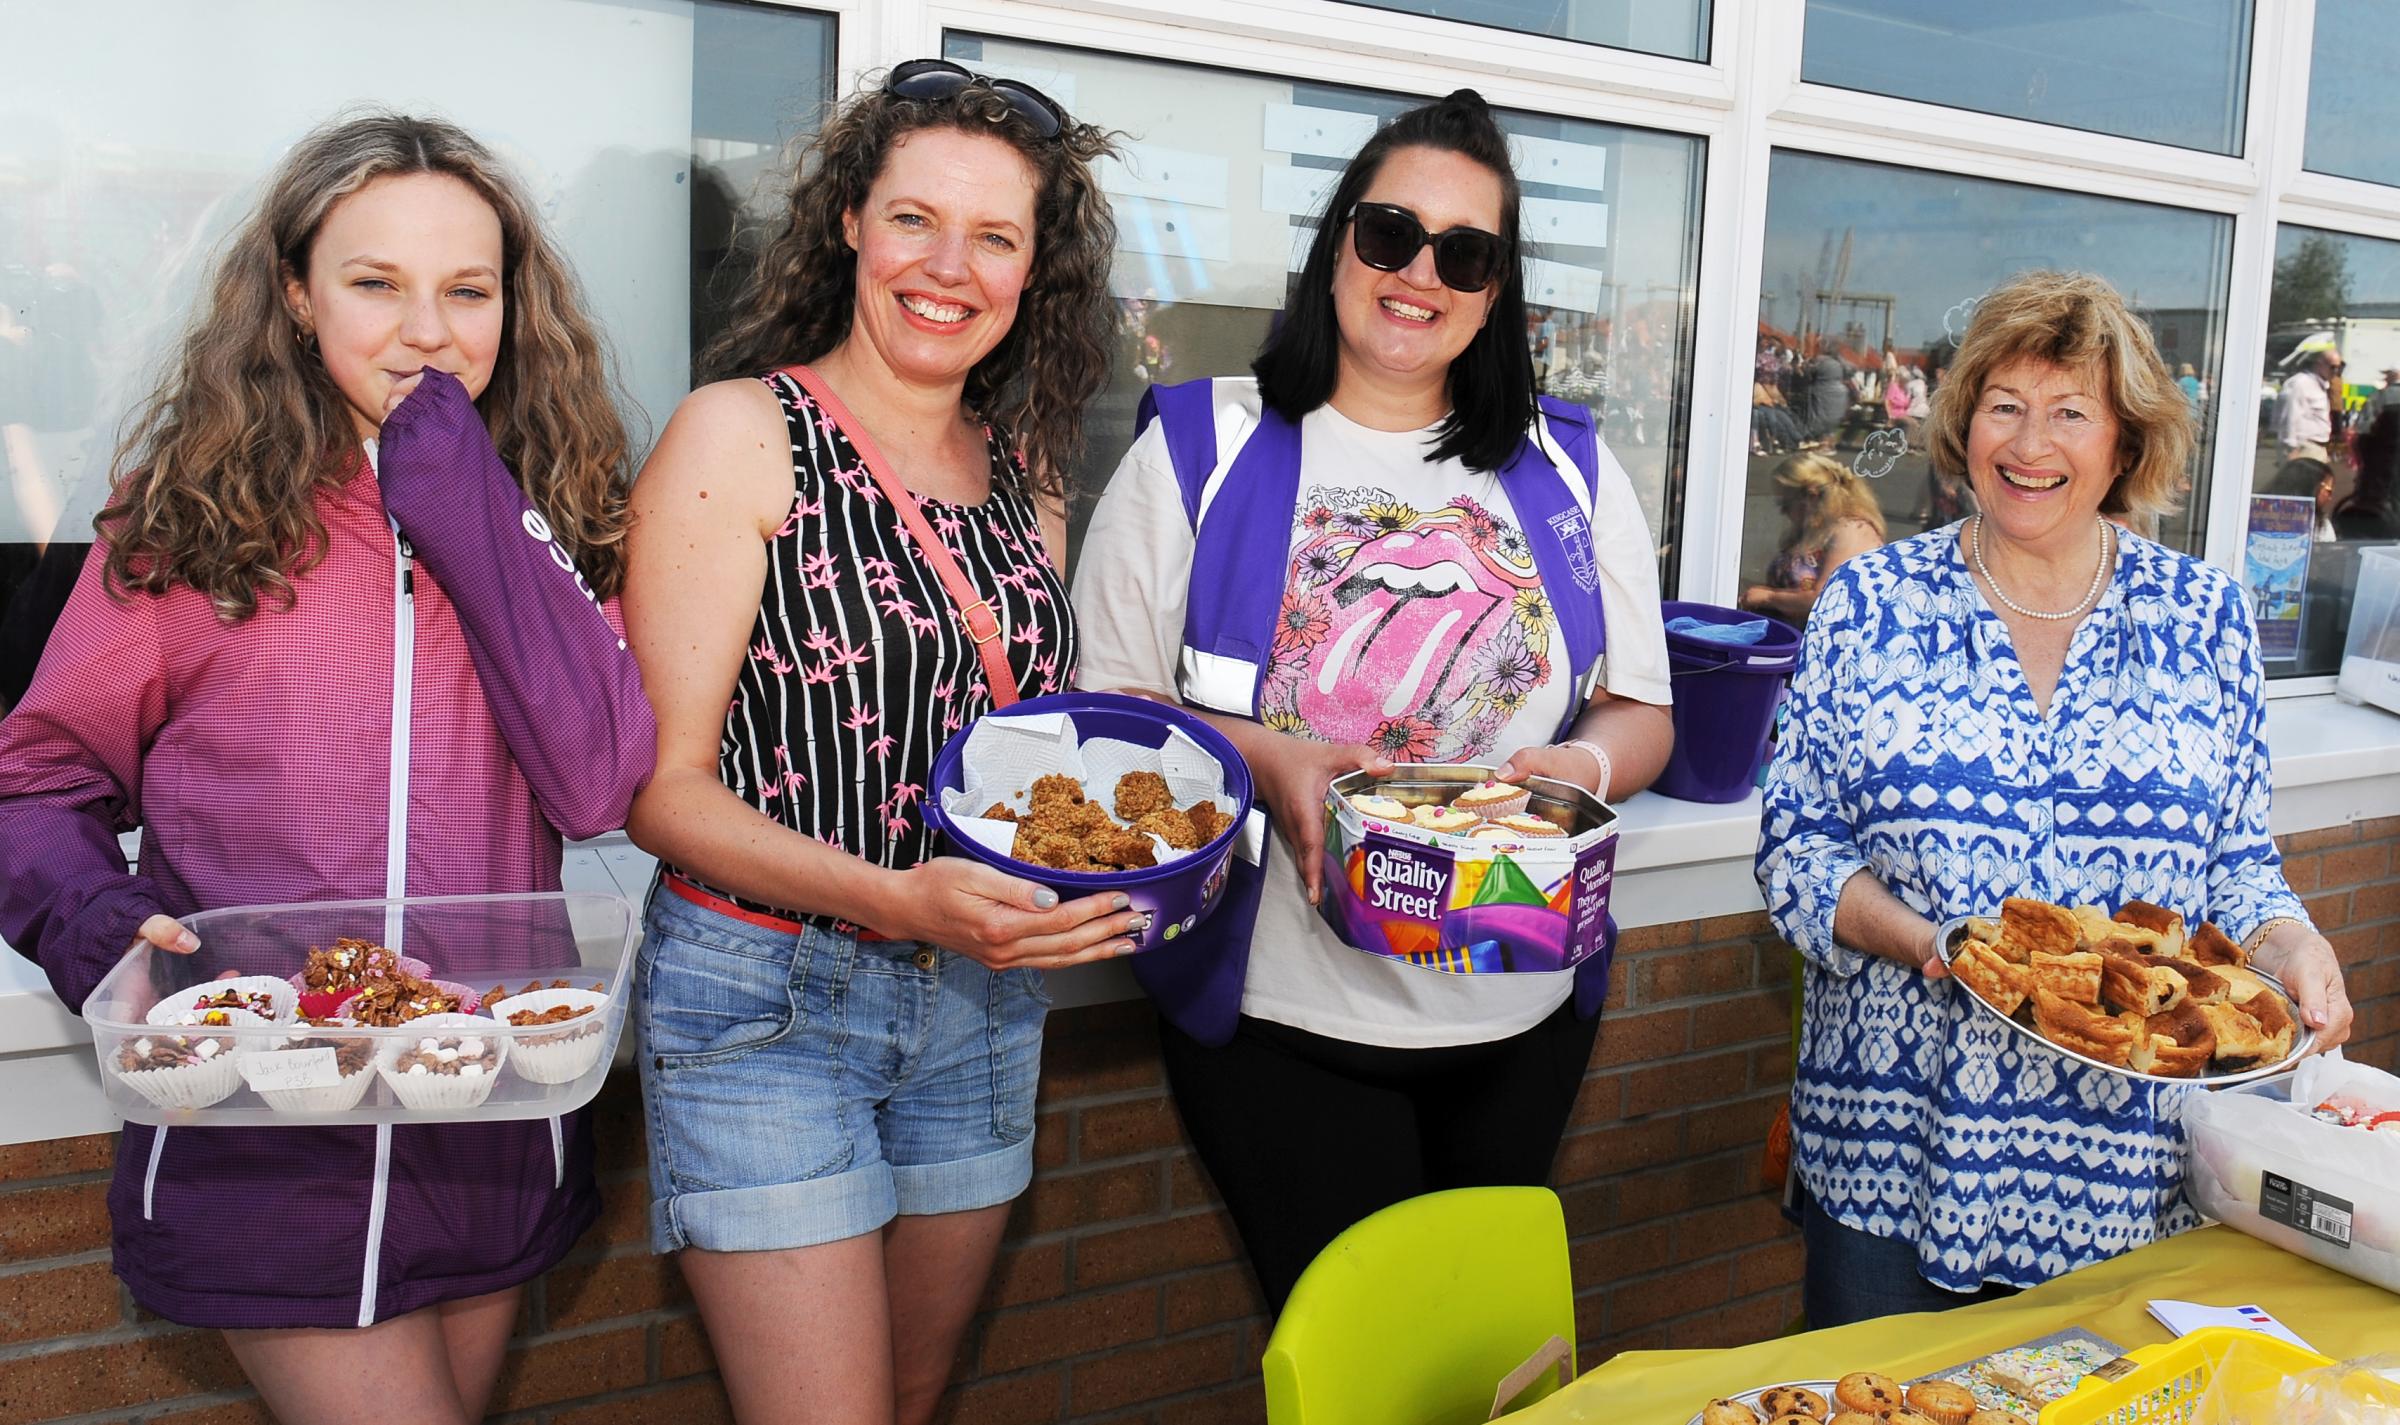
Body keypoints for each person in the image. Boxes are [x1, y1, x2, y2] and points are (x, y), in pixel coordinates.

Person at [0, 113, 655, 1421]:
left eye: (467, 292)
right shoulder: (190, 509)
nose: (426, 330)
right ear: (296, 296)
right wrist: (109, 937)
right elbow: (34, 780)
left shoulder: (551, 507)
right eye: (375, 284)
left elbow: (595, 783)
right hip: (263, 1117)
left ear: (512, 309)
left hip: (487, 1103)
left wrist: (469, 498)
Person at [1071, 89, 1675, 1313]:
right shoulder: (1202, 445)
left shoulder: (1570, 467)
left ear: (1497, 291)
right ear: (1338, 240)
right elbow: (1103, 719)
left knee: (1475, 1368)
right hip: (1283, 1020)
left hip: (1522, 1009)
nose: (1421, 275)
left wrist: (1584, 772)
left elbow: (1642, 712)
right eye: (1390, 232)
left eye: (1466, 253)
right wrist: (1269, 758)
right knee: (1361, 1367)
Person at [619, 62, 1128, 1424]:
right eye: (914, 218)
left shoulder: (1026, 469)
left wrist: (1123, 869)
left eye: (996, 237)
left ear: (1036, 271)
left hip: (977, 1004)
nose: (947, 266)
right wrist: (899, 898)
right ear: (850, 219)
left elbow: (1021, 763)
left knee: (906, 1400)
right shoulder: (741, 435)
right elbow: (658, 794)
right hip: (768, 996)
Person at [1757, 270, 2355, 1329]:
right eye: (2006, 407)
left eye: (2071, 412)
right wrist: (1917, 938)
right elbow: (1795, 844)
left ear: (2124, 444)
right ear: (1964, 424)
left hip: (2125, 1177)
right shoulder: (1872, 603)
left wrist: (2291, 945)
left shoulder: (2203, 620)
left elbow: (2234, 865)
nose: (2031, 445)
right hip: (1894, 1155)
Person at [1741, 452, 1887, 623]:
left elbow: (1825, 597)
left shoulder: (1853, 530)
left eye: (1786, 504)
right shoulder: (1814, 529)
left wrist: (1769, 597)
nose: (1783, 512)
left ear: (1811, 496)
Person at [2277, 345, 2340, 463]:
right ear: (2319, 364)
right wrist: (2291, 449)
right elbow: (2289, 417)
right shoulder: (2301, 384)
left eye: (2339, 367)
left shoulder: (2321, 386)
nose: (2336, 371)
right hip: (2303, 448)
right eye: (2332, 367)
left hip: (2317, 448)